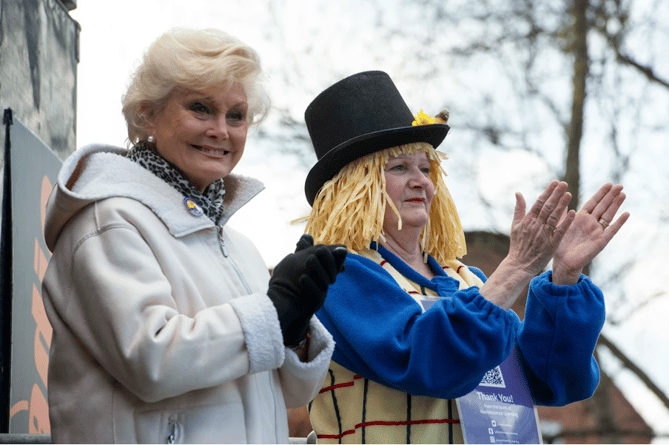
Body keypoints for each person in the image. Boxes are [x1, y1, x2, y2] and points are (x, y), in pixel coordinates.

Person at [41, 28, 346, 443]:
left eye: (236, 116)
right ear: (147, 114)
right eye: (201, 108)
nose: (221, 130)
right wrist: (273, 313)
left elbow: (292, 392)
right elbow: (151, 361)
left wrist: (294, 333)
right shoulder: (108, 221)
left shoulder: (242, 247)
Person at [301, 71, 629, 443]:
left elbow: (551, 381)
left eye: (426, 168)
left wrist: (564, 277)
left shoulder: (467, 280)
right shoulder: (337, 275)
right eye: (399, 167)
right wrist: (516, 268)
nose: (422, 182)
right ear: (352, 185)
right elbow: (426, 361)